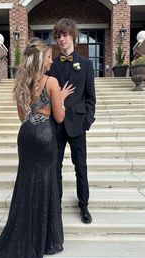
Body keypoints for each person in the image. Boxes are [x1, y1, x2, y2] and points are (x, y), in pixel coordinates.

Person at [0, 38, 74, 258]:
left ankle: (24, 234)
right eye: (49, 57)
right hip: (45, 136)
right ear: (42, 59)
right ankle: (44, 240)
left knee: (26, 183)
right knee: (45, 182)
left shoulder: (22, 82)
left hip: (27, 135)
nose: (52, 60)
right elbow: (60, 118)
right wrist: (60, 98)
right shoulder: (51, 82)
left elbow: (23, 117)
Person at [48, 18, 96, 224]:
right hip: (56, 125)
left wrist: (87, 120)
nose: (61, 39)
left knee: (81, 167)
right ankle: (55, 206)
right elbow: (45, 93)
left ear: (73, 37)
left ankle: (83, 205)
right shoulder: (50, 66)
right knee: (54, 167)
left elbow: (90, 97)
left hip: (77, 125)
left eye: (65, 35)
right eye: (58, 36)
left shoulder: (85, 64)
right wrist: (58, 95)